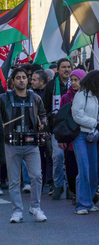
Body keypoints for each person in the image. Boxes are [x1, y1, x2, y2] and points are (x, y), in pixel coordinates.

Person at [0, 68, 48, 223]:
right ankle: (17, 211)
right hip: (12, 143)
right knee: (14, 180)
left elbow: (43, 115)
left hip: (31, 143)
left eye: (24, 77)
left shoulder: (35, 98)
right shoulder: (4, 98)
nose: (21, 80)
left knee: (37, 176)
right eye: (18, 77)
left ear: (28, 80)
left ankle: (35, 207)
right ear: (12, 81)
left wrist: (43, 125)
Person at [71, 70, 99, 215]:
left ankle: (90, 200)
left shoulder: (98, 97)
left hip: (93, 135)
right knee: (84, 169)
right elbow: (77, 115)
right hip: (80, 135)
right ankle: (81, 204)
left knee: (93, 170)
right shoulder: (81, 95)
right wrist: (95, 125)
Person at [43, 58, 72, 200]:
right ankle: (58, 185)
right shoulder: (51, 86)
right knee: (58, 156)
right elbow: (45, 107)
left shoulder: (76, 84)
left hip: (73, 128)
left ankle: (71, 188)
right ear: (58, 70)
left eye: (68, 67)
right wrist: (47, 124)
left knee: (71, 158)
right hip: (57, 127)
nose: (66, 69)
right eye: (63, 67)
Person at [59, 69, 86, 204]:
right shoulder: (66, 97)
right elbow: (61, 119)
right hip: (70, 137)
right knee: (71, 166)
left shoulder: (88, 96)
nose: (74, 83)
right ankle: (74, 192)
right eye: (72, 80)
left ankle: (84, 192)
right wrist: (61, 139)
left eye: (77, 80)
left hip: (84, 135)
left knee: (84, 166)